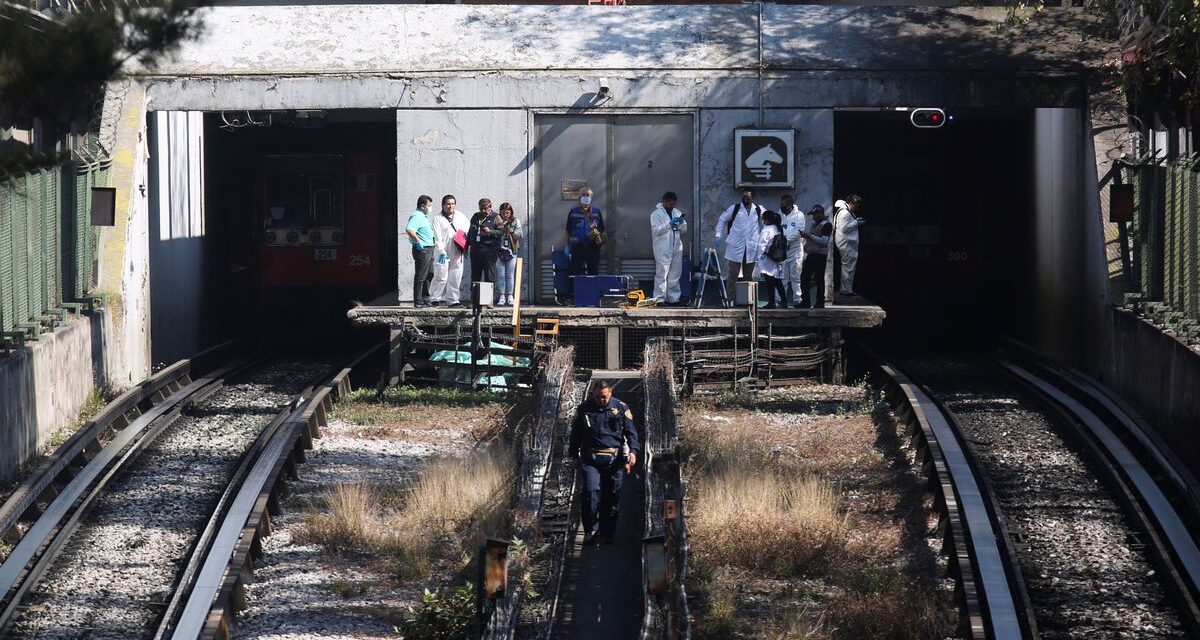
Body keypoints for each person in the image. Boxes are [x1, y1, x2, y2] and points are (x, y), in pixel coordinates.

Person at [569, 380, 639, 545]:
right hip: (590, 459)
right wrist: (573, 455)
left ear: (611, 394)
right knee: (590, 492)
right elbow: (576, 434)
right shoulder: (584, 409)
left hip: (614, 460)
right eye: (598, 397)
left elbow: (631, 433)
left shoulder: (621, 408)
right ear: (593, 394)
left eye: (605, 397)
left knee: (612, 497)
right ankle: (591, 530)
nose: (601, 400)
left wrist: (633, 452)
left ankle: (607, 533)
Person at [714, 188, 764, 301]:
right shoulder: (735, 208)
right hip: (735, 246)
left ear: (752, 198)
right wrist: (718, 235)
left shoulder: (758, 209)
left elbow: (768, 220)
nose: (745, 198)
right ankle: (729, 299)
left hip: (751, 247)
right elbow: (722, 219)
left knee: (748, 276)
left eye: (748, 196)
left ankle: (747, 300)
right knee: (733, 275)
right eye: (744, 196)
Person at [564, 187, 605, 302]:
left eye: (587, 195)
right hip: (577, 247)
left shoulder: (596, 212)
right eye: (583, 195)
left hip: (592, 247)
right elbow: (568, 230)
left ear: (591, 198)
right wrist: (567, 246)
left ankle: (594, 297)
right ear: (579, 197)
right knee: (574, 272)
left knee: (593, 272)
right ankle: (571, 297)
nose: (585, 197)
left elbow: (602, 230)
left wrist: (599, 239)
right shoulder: (573, 212)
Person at [429, 194, 469, 306]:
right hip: (442, 252)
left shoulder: (461, 216)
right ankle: (434, 298)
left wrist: (461, 238)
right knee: (440, 275)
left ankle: (453, 300)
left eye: (452, 204)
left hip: (457, 250)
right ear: (443, 205)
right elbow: (437, 236)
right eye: (448, 204)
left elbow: (466, 229)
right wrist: (441, 250)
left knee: (455, 276)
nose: (450, 206)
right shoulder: (438, 218)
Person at [649, 191, 687, 305]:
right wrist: (669, 224)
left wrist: (681, 223)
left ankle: (673, 298)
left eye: (673, 204)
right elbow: (656, 231)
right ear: (664, 202)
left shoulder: (676, 212)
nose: (672, 206)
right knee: (662, 273)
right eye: (670, 204)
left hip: (676, 247)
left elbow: (684, 230)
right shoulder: (656, 214)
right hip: (662, 248)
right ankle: (659, 298)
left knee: (675, 273)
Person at [829, 194, 865, 298]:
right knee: (848, 267)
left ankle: (846, 289)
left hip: (847, 243)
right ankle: (846, 290)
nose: (857, 208)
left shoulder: (845, 212)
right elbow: (844, 228)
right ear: (851, 203)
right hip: (846, 243)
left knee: (849, 266)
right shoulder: (844, 213)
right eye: (856, 205)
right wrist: (856, 222)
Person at [405, 195, 437, 308]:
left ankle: (425, 298)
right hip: (423, 249)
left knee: (430, 274)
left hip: (430, 248)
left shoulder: (424, 215)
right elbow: (409, 229)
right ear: (423, 206)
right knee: (421, 275)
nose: (430, 207)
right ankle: (418, 301)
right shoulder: (416, 216)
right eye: (429, 205)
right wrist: (418, 241)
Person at [798, 204, 832, 308]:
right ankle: (806, 302)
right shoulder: (814, 224)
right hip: (812, 254)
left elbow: (824, 241)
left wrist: (809, 236)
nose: (813, 217)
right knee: (804, 277)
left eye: (815, 214)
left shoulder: (826, 225)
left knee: (819, 279)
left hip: (820, 255)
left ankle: (820, 302)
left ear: (820, 214)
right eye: (812, 214)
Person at [779, 194, 807, 305]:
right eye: (781, 204)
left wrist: (786, 241)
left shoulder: (799, 215)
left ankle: (798, 300)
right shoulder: (779, 214)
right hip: (782, 251)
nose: (781, 206)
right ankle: (781, 300)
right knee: (782, 277)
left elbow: (799, 232)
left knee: (796, 275)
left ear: (790, 205)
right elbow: (776, 229)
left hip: (795, 250)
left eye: (784, 204)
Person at [467, 198, 501, 287]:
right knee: (475, 277)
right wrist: (467, 245)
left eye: (486, 208)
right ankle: (475, 299)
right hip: (475, 251)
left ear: (490, 207)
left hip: (489, 251)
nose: (483, 211)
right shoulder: (475, 216)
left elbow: (502, 232)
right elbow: (470, 231)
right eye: (481, 208)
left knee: (490, 276)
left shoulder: (496, 217)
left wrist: (490, 232)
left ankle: (488, 299)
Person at [757, 209, 788, 308]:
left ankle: (772, 303)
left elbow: (762, 245)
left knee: (770, 283)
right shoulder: (780, 229)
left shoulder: (766, 230)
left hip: (768, 259)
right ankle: (784, 302)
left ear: (766, 219)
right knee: (778, 282)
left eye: (763, 219)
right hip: (779, 259)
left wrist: (759, 258)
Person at [494, 202, 523, 306]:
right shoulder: (497, 221)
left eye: (507, 213)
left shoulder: (515, 221)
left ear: (511, 213)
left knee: (510, 275)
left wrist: (512, 232)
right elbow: (493, 234)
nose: (505, 215)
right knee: (501, 274)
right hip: (499, 251)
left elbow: (520, 235)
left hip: (512, 251)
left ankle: (510, 295)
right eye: (503, 213)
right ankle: (502, 295)